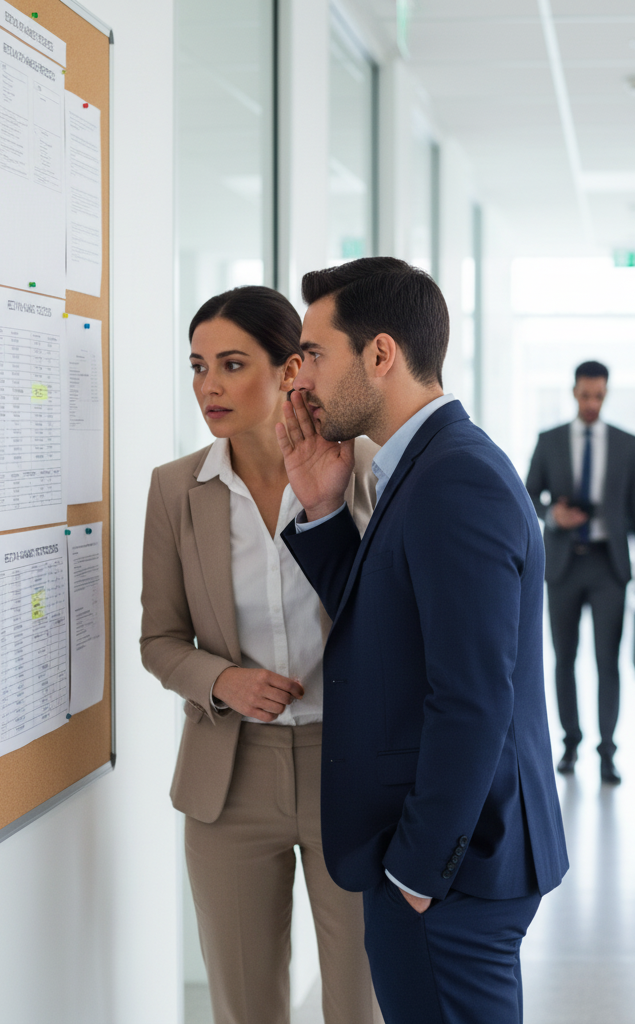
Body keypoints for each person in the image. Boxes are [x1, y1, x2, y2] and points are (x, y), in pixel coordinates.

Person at [275, 257, 569, 1024]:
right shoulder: (421, 467)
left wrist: (416, 870)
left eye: (313, 354)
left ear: (380, 355)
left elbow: (473, 696)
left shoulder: (454, 478)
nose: (298, 380)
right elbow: (391, 636)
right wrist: (325, 509)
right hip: (442, 859)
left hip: (450, 867)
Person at [139, 286, 381, 1024]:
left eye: (231, 363)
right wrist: (224, 680)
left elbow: (394, 617)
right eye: (197, 365)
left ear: (287, 371)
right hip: (230, 779)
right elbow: (159, 641)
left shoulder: (364, 467)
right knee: (244, 1007)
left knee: (360, 1002)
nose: (207, 384)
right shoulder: (177, 489)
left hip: (351, 766)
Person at [524, 361, 635, 783]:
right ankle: (571, 743)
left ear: (606, 393)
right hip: (563, 563)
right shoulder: (550, 441)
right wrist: (552, 514)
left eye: (599, 395)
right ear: (574, 391)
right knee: (564, 658)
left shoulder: (626, 444)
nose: (592, 403)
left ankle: (608, 749)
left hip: (608, 565)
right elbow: (527, 498)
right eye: (585, 395)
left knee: (607, 661)